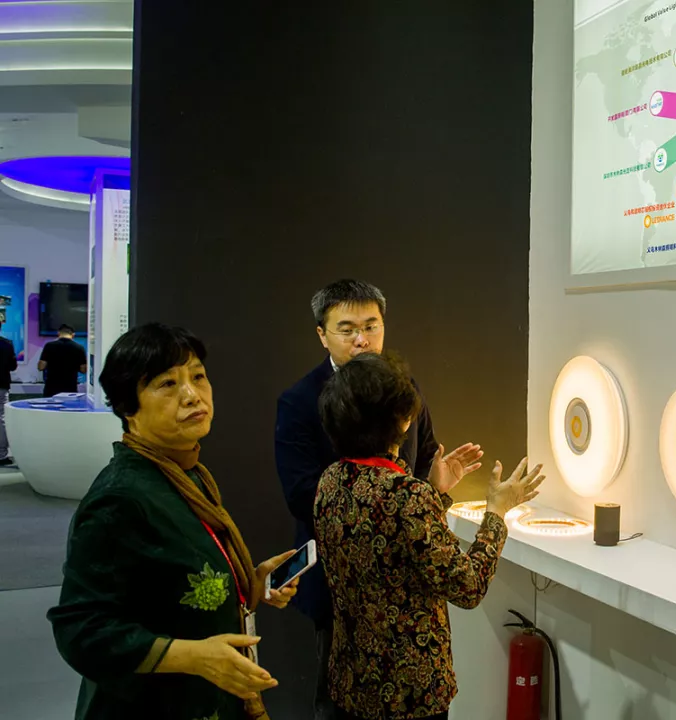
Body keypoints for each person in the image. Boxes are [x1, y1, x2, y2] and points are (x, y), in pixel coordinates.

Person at [48, 323, 300, 720]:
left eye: (198, 377)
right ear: (128, 407)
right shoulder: (121, 497)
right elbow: (80, 631)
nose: (192, 394)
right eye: (167, 384)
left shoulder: (186, 473)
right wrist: (193, 656)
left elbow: (171, 580)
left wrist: (249, 584)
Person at [274, 279, 483, 719]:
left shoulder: (403, 388)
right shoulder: (299, 401)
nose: (361, 339)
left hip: (409, 588)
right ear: (322, 334)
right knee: (337, 699)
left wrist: (429, 492)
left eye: (371, 326)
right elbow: (301, 494)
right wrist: (394, 506)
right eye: (347, 329)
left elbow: (425, 457)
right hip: (340, 583)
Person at [315, 353, 544, 720]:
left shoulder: (331, 481)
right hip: (409, 692)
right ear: (402, 420)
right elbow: (468, 587)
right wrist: (496, 513)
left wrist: (435, 491)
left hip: (352, 682)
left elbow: (392, 545)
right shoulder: (406, 495)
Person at [38, 323, 87, 396]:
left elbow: (41, 367)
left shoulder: (49, 346)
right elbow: (83, 370)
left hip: (51, 388)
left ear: (58, 333)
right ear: (73, 335)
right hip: (70, 388)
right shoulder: (79, 348)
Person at [0, 320, 16, 466]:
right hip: (1, 385)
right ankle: (1, 455)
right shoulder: (7, 344)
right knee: (1, 419)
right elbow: (13, 366)